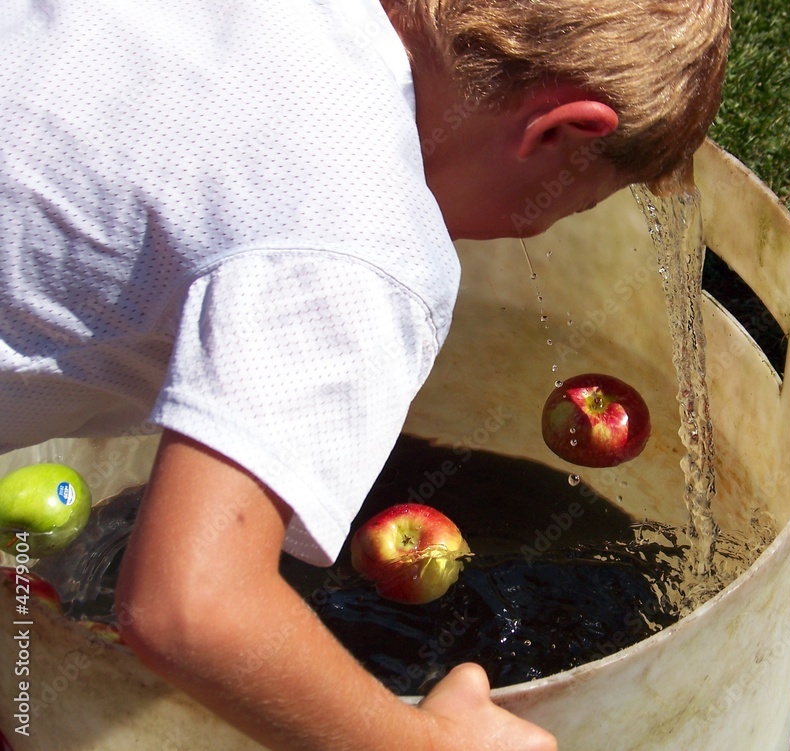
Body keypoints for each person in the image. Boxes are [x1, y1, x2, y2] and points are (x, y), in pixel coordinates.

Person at [0, 0, 729, 747]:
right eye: (579, 204)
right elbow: (189, 605)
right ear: (559, 133)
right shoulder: (365, 246)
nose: (543, 227)